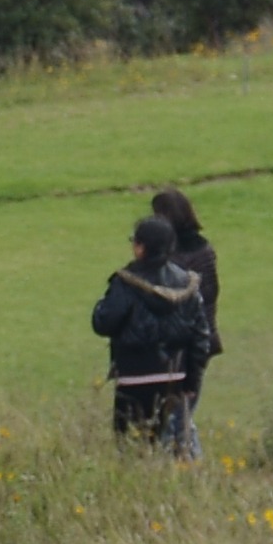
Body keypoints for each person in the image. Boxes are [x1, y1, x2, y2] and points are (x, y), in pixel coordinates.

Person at [90, 188, 222, 459]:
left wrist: (100, 308)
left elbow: (104, 322)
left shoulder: (126, 282)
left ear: (141, 247)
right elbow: (200, 333)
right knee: (177, 436)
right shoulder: (188, 283)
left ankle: (142, 491)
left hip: (134, 376)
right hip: (177, 374)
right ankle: (187, 483)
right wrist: (192, 380)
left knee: (132, 447)